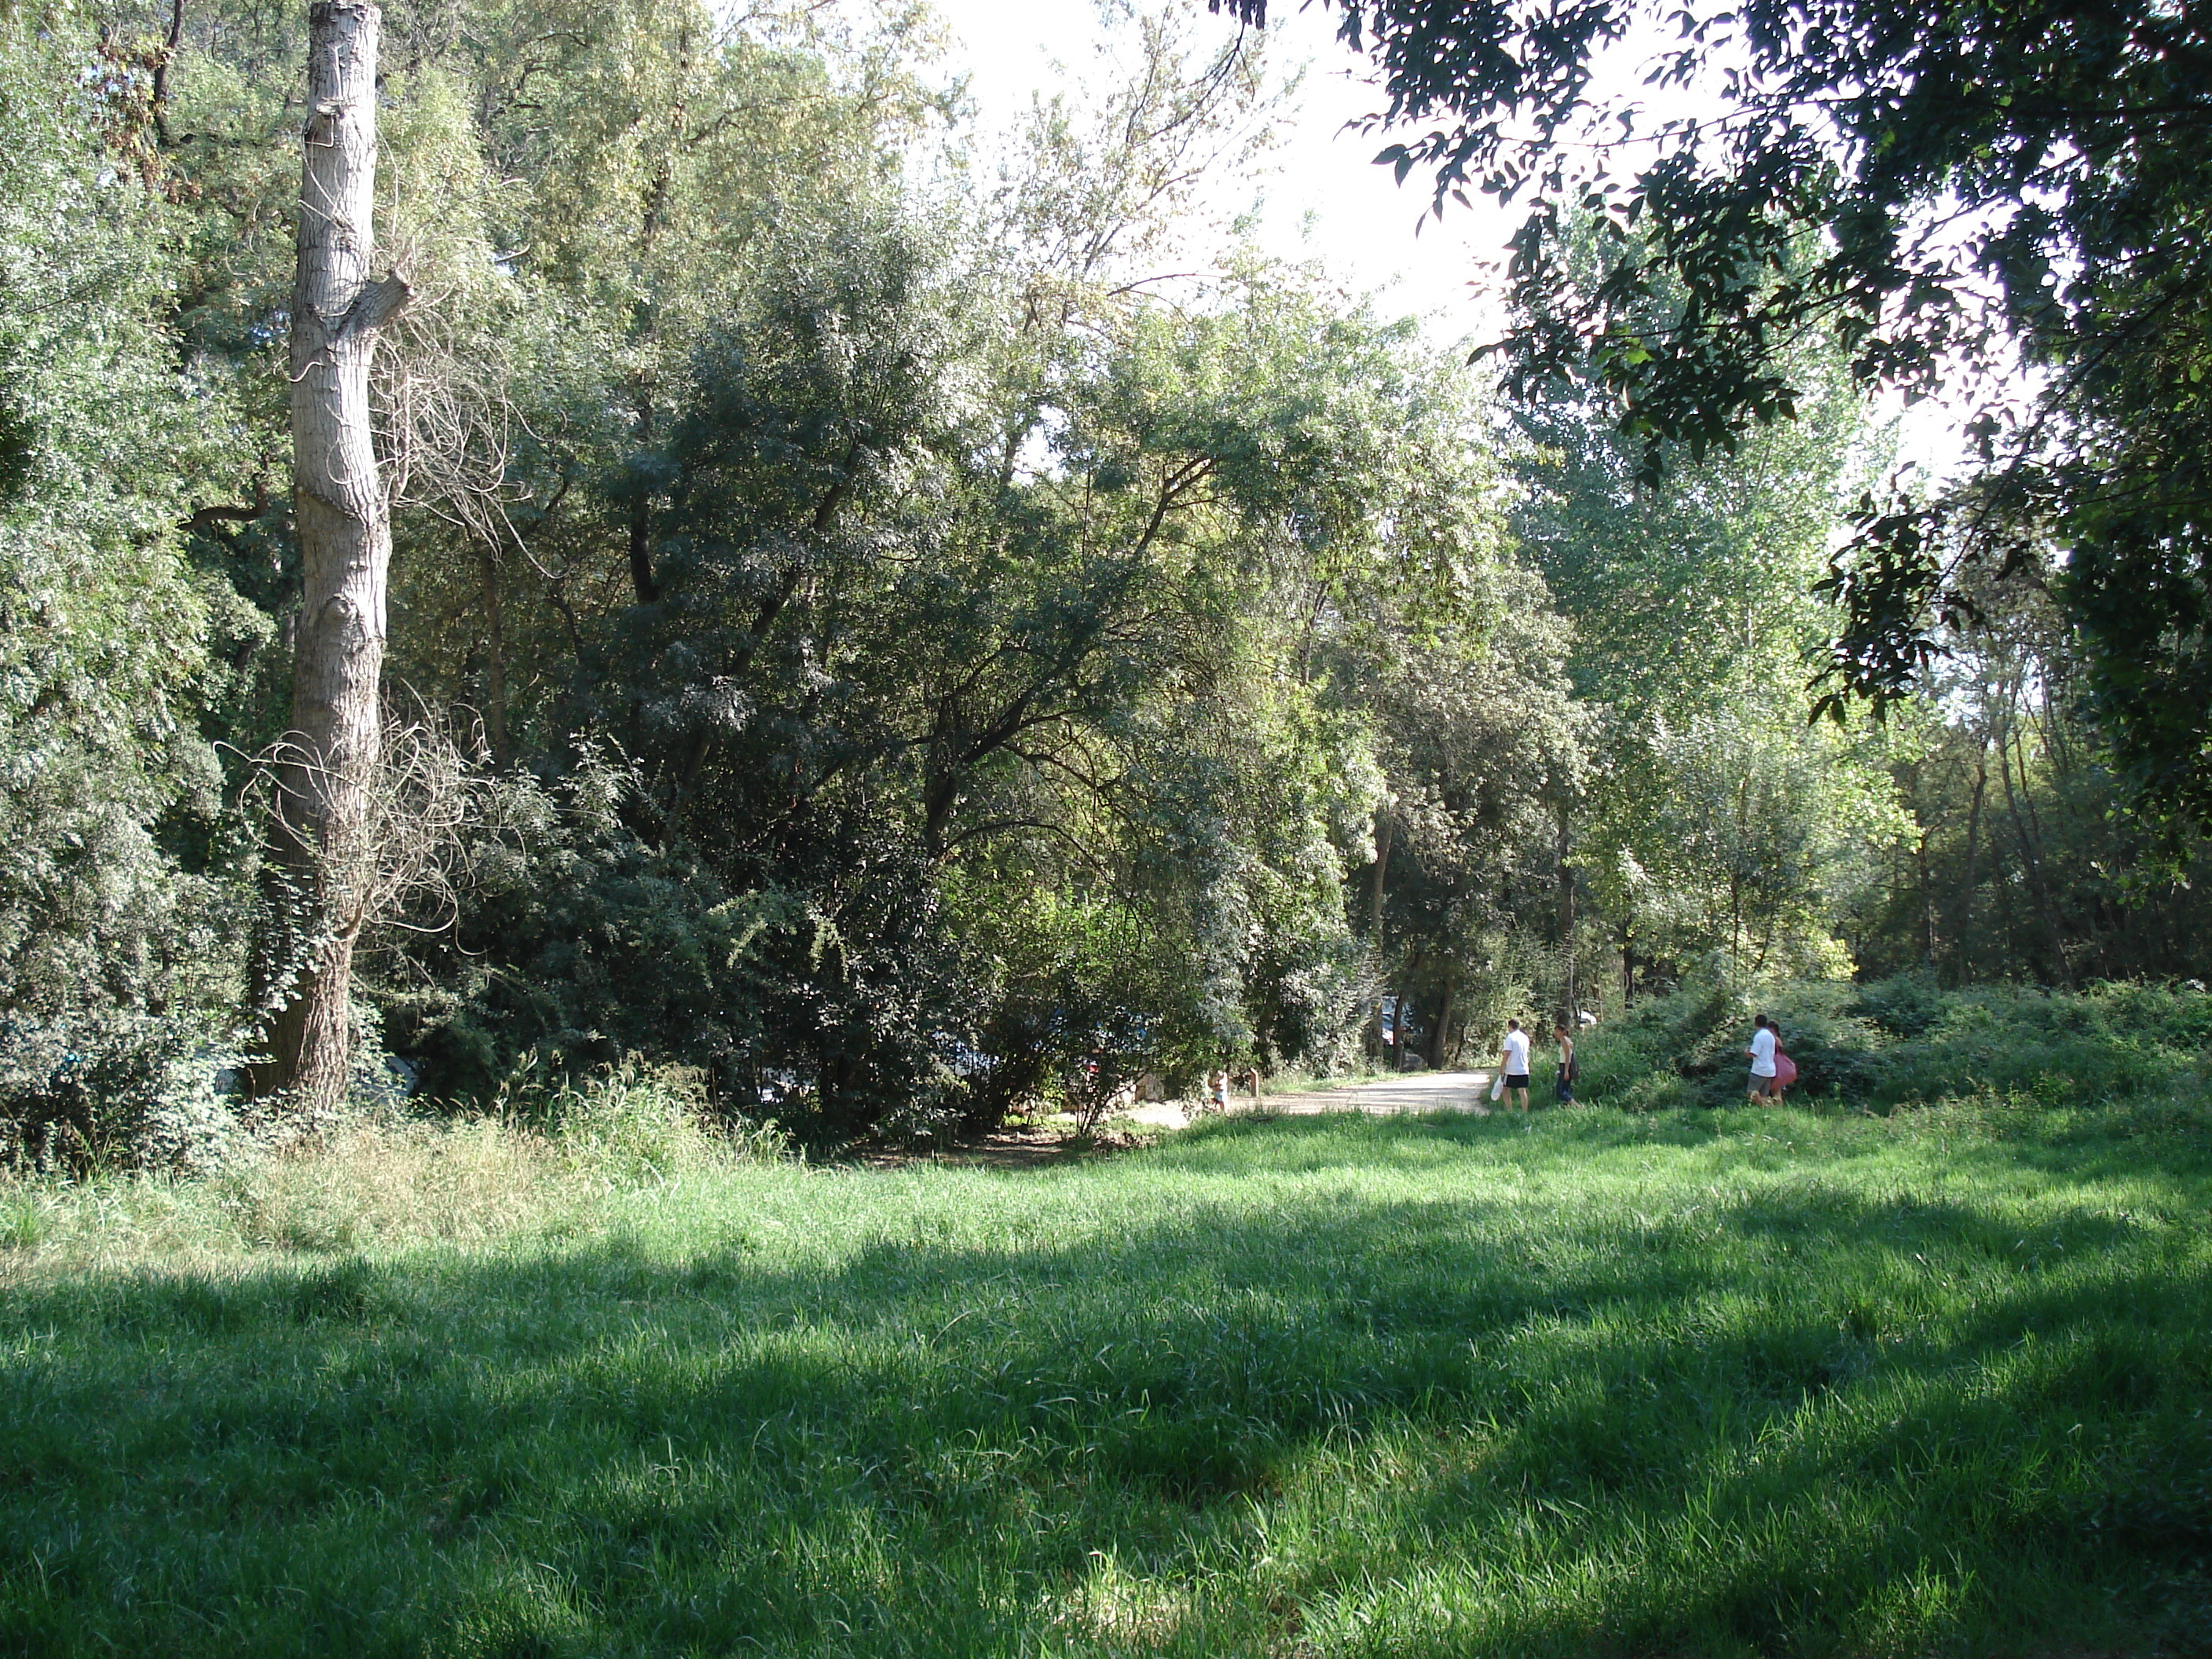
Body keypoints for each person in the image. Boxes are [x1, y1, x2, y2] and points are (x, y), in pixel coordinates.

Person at [1499, 1019, 1532, 1111]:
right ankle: (1524, 1112)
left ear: (1510, 1026)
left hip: (1512, 1069)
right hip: (1524, 1068)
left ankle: (1510, 1111)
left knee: (1505, 1089)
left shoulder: (1510, 1037)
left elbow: (1507, 1053)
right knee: (1522, 1091)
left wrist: (1502, 1067)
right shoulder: (1525, 1037)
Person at [1746, 1013, 1780, 1104]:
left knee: (1751, 1094)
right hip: (1770, 1070)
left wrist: (1746, 1052)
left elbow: (1754, 1053)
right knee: (1763, 1095)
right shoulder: (1770, 1036)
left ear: (1755, 1023)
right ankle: (1767, 1108)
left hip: (1759, 1070)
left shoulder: (1759, 1036)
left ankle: (1768, 1105)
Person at [1553, 1024, 1577, 1104]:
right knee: (1565, 1088)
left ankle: (1576, 1105)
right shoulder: (1563, 1040)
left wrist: (1566, 1071)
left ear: (1563, 1032)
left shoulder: (1565, 1041)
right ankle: (1568, 1106)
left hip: (1566, 1065)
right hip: (1563, 1065)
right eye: (1555, 1031)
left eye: (1557, 1031)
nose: (1556, 1033)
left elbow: (1568, 1056)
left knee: (1560, 1090)